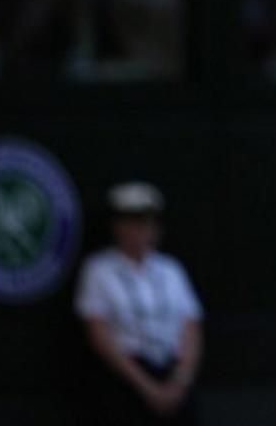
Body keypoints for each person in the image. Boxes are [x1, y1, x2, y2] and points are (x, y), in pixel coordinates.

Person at [75, 182, 203, 425]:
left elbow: (191, 326)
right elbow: (99, 333)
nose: (141, 230)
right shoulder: (99, 270)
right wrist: (147, 387)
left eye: (147, 223)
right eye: (132, 223)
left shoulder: (171, 269)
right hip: (126, 380)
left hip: (171, 374)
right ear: (117, 227)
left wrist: (180, 380)